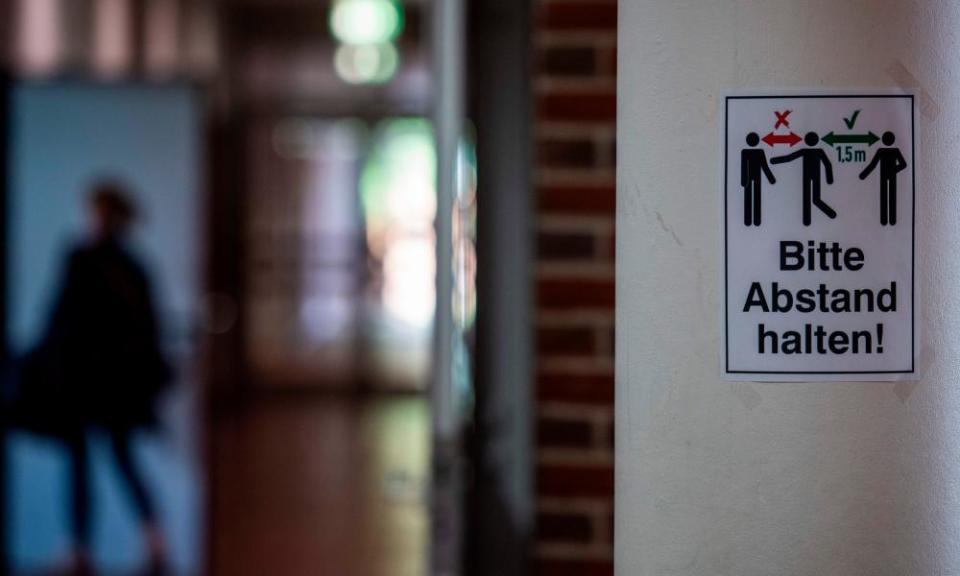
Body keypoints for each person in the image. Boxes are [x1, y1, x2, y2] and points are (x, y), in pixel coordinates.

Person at [34, 181, 171, 575]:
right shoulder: (132, 268)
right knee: (114, 460)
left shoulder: (86, 260)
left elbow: (59, 319)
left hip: (87, 382)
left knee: (87, 463)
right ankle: (146, 539)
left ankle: (85, 549)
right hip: (112, 385)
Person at [771, 132, 836, 226]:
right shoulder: (812, 151)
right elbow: (790, 158)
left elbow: (789, 158)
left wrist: (829, 179)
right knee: (809, 198)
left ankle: (830, 214)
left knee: (814, 199)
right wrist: (829, 179)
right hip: (810, 176)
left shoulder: (817, 151)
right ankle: (807, 220)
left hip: (811, 176)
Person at [859, 131, 907, 226]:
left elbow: (903, 164)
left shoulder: (891, 151)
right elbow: (873, 164)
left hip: (889, 176)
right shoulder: (883, 151)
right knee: (885, 197)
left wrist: (893, 170)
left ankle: (889, 221)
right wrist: (863, 174)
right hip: (886, 176)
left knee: (889, 197)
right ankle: (886, 220)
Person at [740, 132, 777, 226]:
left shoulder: (752, 152)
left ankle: (754, 220)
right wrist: (770, 178)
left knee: (754, 197)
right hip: (753, 178)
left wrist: (770, 178)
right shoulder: (746, 152)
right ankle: (749, 221)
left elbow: (764, 165)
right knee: (752, 198)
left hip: (755, 178)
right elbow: (745, 167)